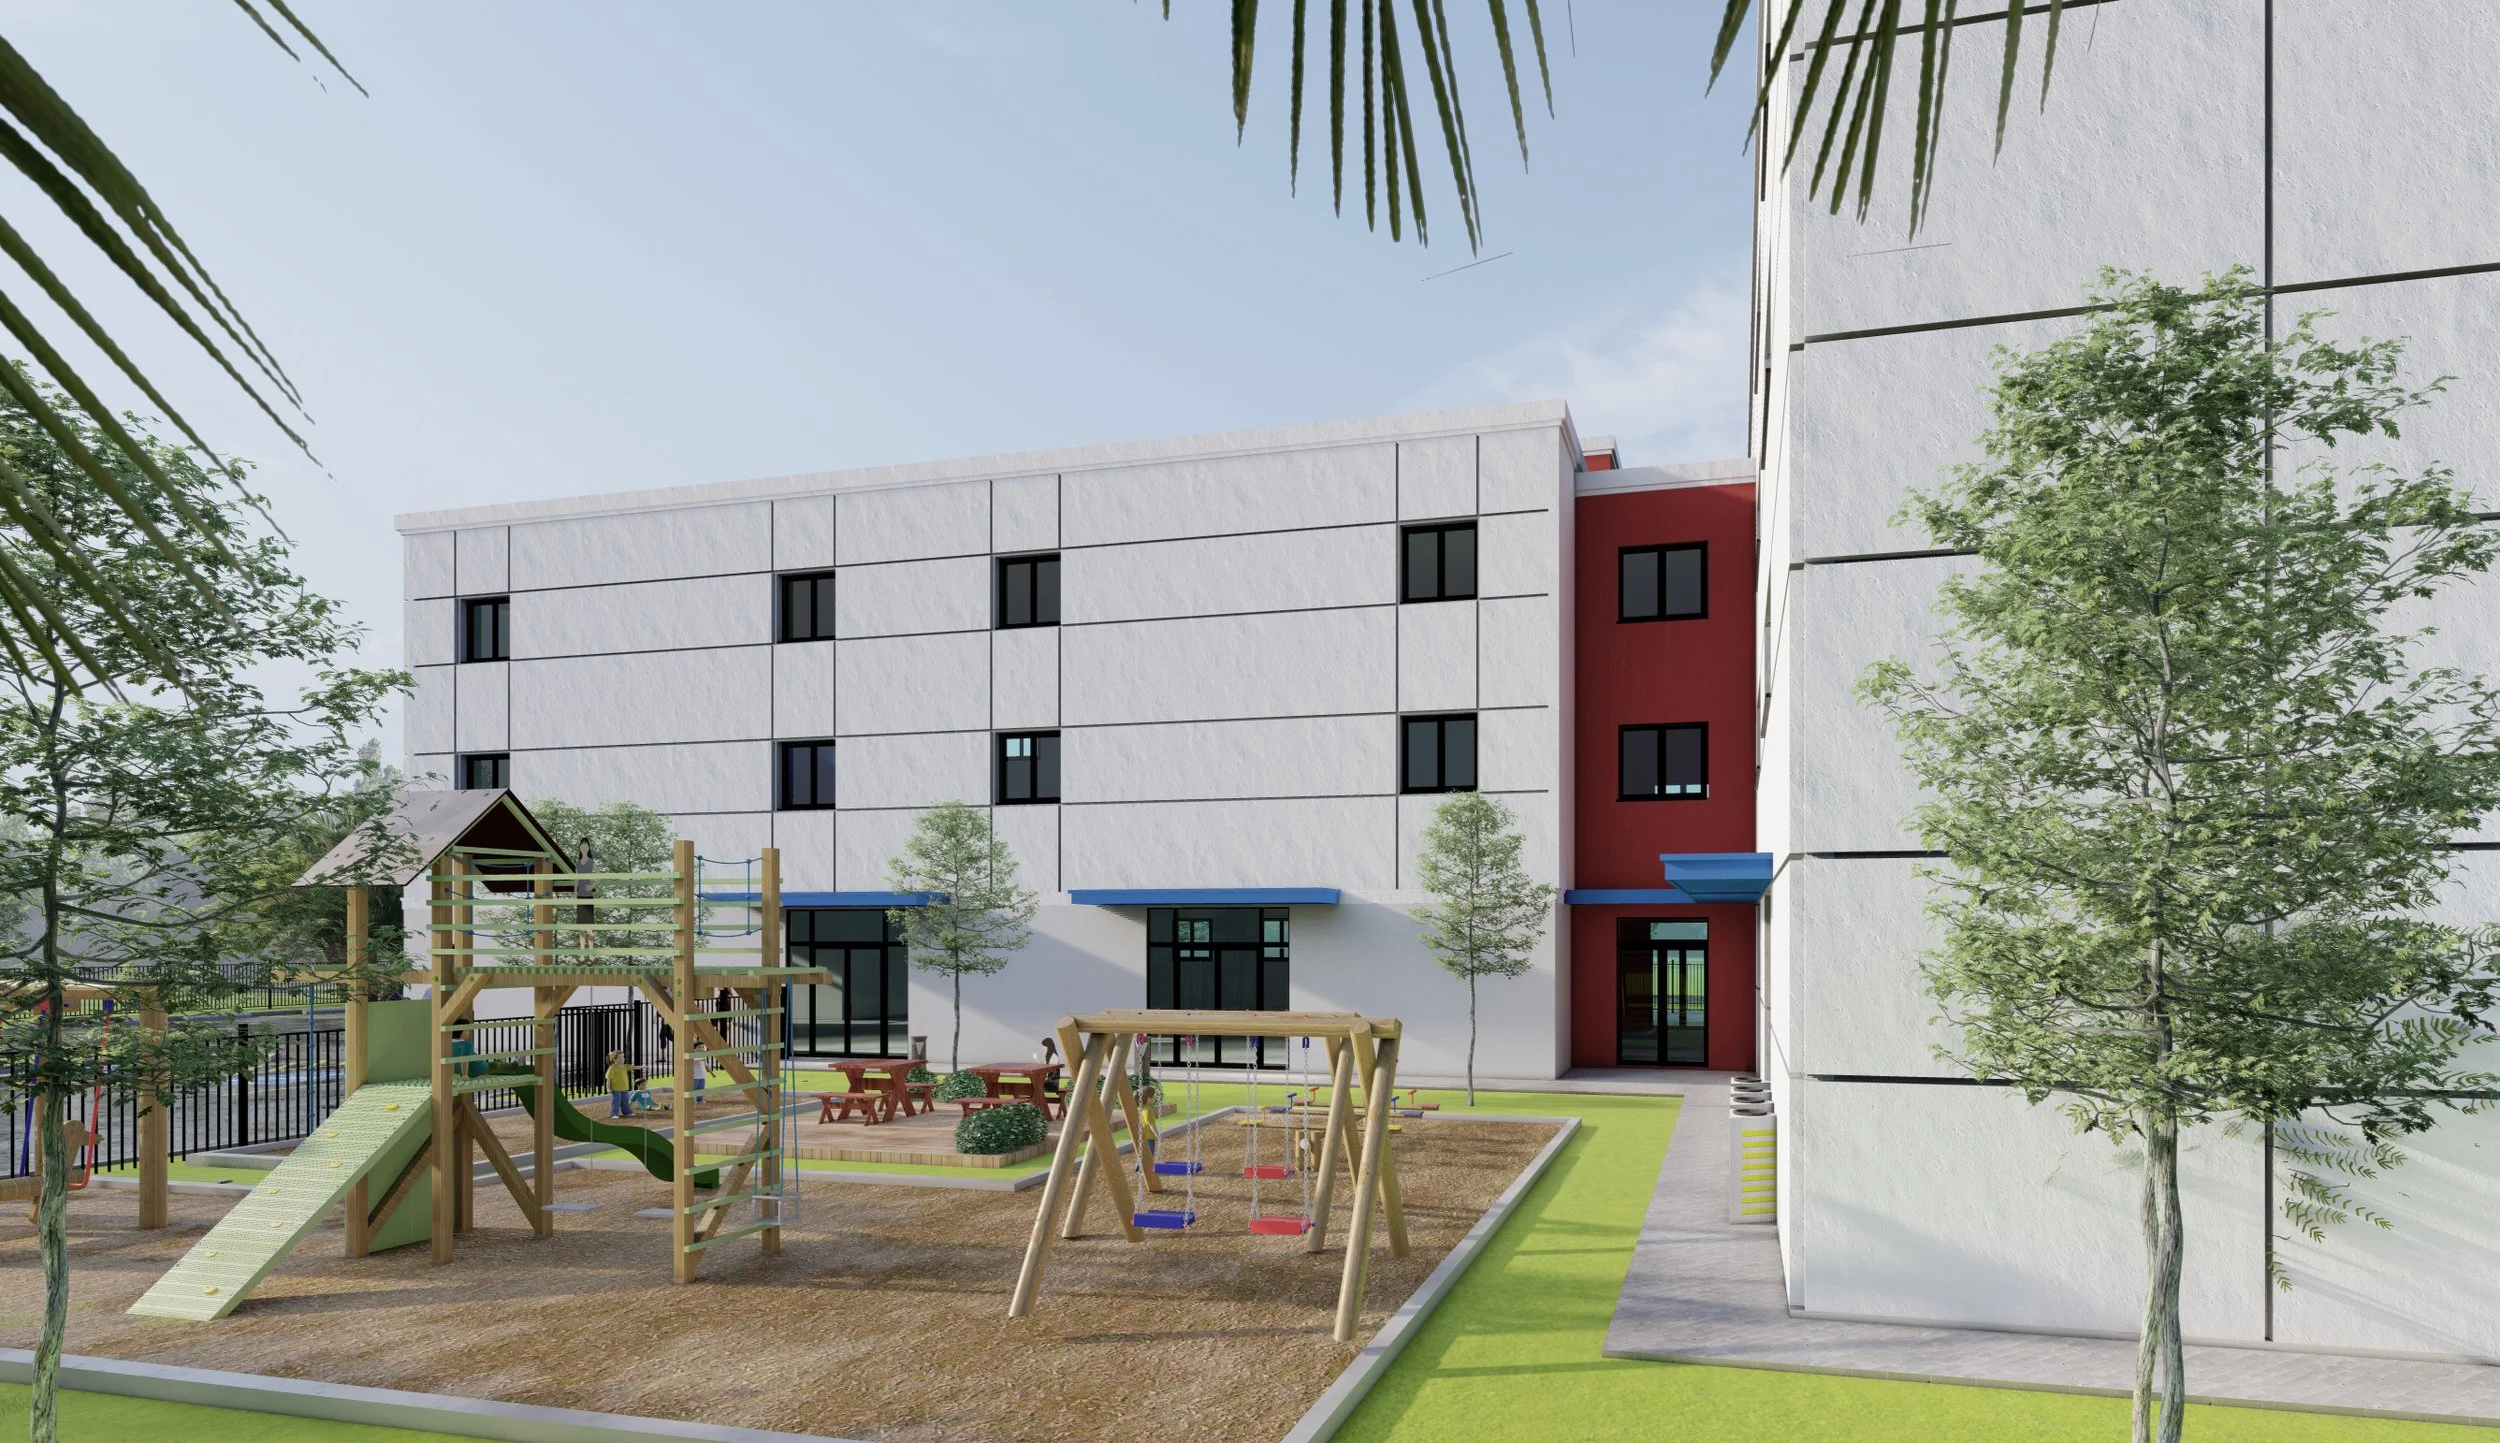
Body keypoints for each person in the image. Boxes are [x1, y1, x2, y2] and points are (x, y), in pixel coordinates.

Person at [606, 1052, 633, 1119]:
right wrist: (608, 1088)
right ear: (614, 1059)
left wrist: (644, 1067)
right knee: (616, 1101)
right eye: (620, 1057)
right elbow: (608, 1079)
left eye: (623, 1057)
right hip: (616, 1089)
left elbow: (634, 1067)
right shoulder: (612, 1068)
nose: (623, 1059)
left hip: (624, 1088)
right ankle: (614, 1114)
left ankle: (627, 1112)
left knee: (625, 1101)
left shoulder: (624, 1066)